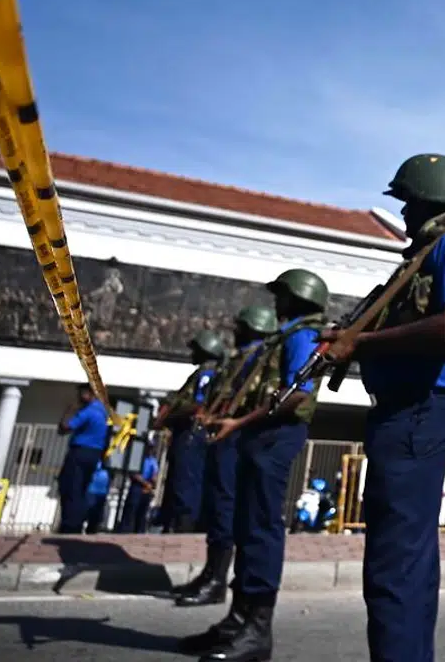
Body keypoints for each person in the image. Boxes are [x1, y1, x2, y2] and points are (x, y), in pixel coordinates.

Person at [319, 153, 445, 662]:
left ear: (429, 201)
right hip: (413, 411)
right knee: (407, 566)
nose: (402, 215)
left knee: (393, 568)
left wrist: (360, 347)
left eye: (408, 204)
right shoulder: (431, 250)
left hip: (418, 410)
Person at [179, 271, 329, 662]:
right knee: (246, 527)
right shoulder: (287, 335)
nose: (277, 303)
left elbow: (298, 394)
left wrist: (240, 423)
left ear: (297, 299)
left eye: (282, 296)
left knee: (261, 528)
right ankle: (239, 620)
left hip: (275, 435)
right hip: (260, 433)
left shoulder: (303, 335)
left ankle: (257, 630)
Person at [174, 306, 280, 608]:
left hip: (233, 434)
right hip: (220, 433)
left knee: (224, 504)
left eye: (240, 325)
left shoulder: (257, 356)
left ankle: (218, 580)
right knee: (215, 502)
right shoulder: (238, 358)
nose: (235, 330)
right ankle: (210, 574)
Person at [151, 329, 228, 533]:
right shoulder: (201, 373)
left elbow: (198, 406)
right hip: (186, 433)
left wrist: (168, 416)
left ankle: (183, 526)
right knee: (180, 481)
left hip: (192, 434)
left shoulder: (206, 375)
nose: (192, 353)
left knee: (186, 483)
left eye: (197, 350)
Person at [56, 383, 111, 534]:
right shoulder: (102, 412)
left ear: (88, 393)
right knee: (80, 488)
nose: (79, 397)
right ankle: (76, 522)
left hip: (79, 452)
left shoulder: (88, 411)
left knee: (70, 487)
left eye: (81, 393)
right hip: (94, 454)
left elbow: (64, 428)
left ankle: (70, 525)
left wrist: (68, 412)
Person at [118, 433, 161, 533]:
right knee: (131, 510)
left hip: (146, 488)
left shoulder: (153, 461)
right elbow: (134, 473)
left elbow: (155, 475)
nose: (150, 449)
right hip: (137, 486)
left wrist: (151, 484)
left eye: (151, 447)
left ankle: (139, 532)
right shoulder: (138, 459)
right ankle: (125, 531)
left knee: (142, 514)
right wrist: (145, 483)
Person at [84, 460, 111, 534]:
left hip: (102, 492)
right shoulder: (96, 460)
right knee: (87, 511)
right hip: (91, 490)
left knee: (96, 516)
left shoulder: (108, 464)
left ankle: (91, 531)